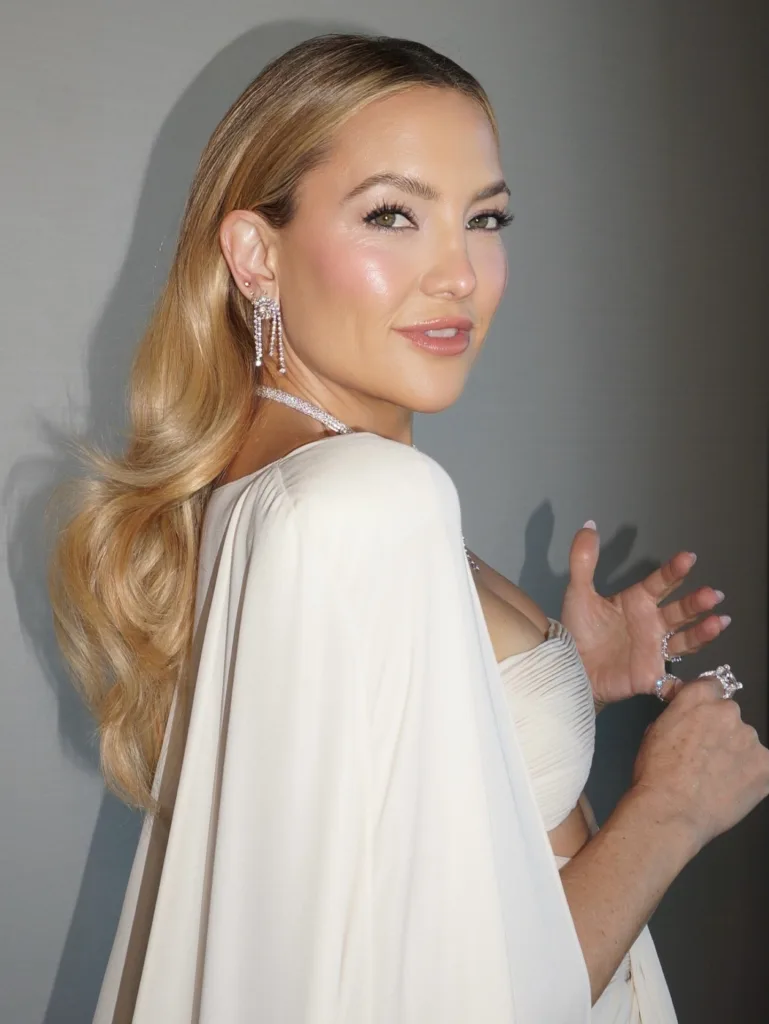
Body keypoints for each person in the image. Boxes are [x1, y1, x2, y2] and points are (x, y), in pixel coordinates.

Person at [46, 33, 769, 1024]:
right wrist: (672, 808)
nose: (459, 273)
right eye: (392, 215)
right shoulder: (366, 499)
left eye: (484, 218)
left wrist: (546, 684)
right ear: (256, 254)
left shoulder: (268, 487)